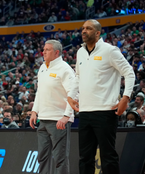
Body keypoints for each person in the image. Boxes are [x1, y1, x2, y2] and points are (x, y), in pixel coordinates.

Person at [67, 19, 135, 174]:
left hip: (105, 111)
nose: (84, 31)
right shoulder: (80, 52)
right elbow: (78, 76)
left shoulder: (110, 51)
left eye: (88, 28)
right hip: (84, 112)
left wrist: (125, 98)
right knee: (85, 158)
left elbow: (129, 73)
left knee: (108, 156)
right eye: (83, 28)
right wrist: (71, 95)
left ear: (98, 33)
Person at [29, 40, 75, 174]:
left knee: (60, 158)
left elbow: (73, 95)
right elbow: (40, 92)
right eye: (43, 49)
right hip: (43, 119)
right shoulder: (43, 67)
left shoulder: (65, 69)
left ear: (56, 52)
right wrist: (34, 111)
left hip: (58, 120)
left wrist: (66, 116)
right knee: (42, 157)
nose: (43, 52)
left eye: (47, 50)